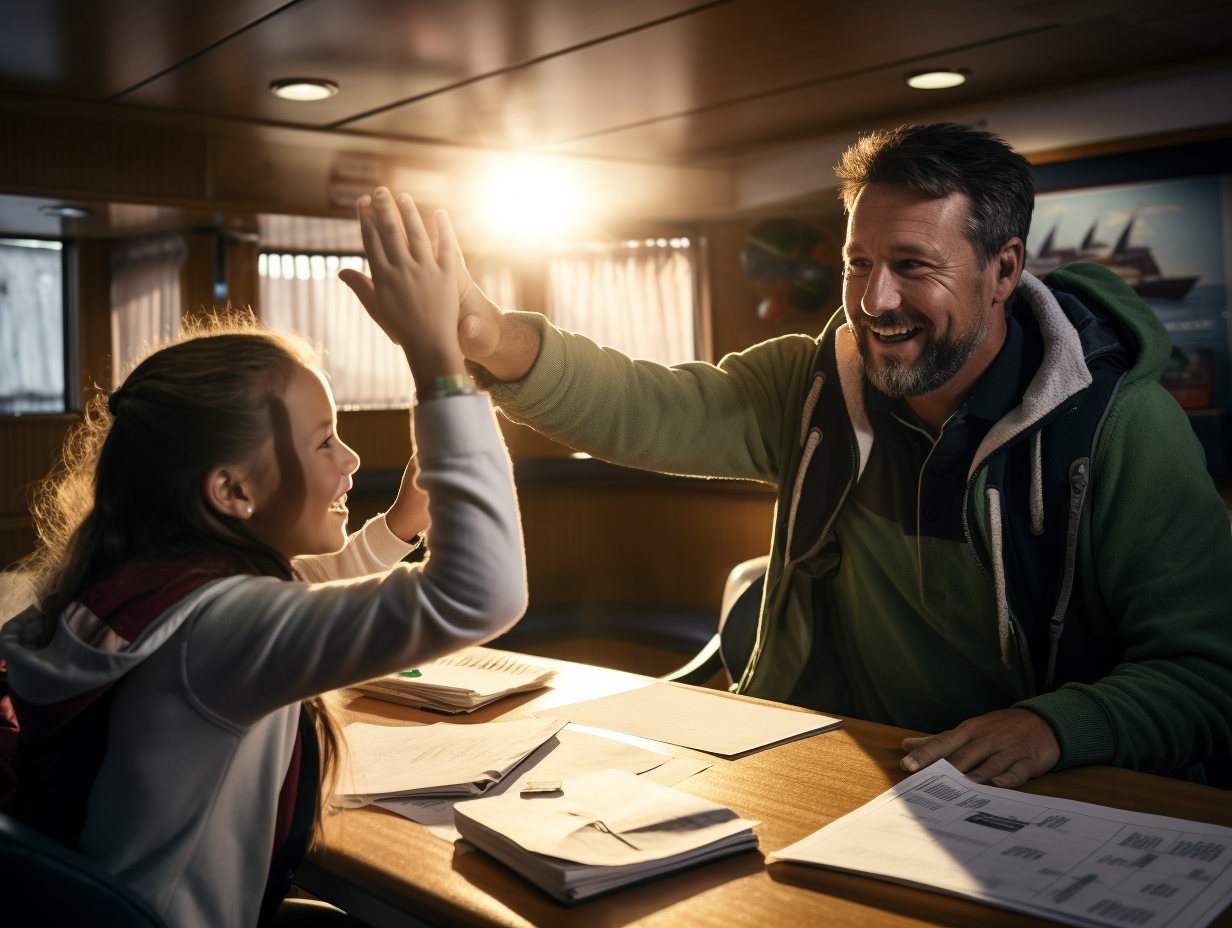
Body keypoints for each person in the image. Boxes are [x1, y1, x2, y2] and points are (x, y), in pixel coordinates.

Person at [418, 123, 1232, 789]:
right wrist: (490, 337)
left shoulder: (1123, 428)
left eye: (912, 266)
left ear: (1004, 271)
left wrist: (1057, 725)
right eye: (858, 263)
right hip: (851, 774)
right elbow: (647, 404)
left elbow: (1209, 673)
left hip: (1058, 794)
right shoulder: (814, 386)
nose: (874, 301)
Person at [0, 189, 527, 928]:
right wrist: (436, 360)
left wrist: (404, 522)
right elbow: (481, 595)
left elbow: (304, 587)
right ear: (231, 491)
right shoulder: (218, 629)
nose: (349, 459)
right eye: (322, 441)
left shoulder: (146, 585)